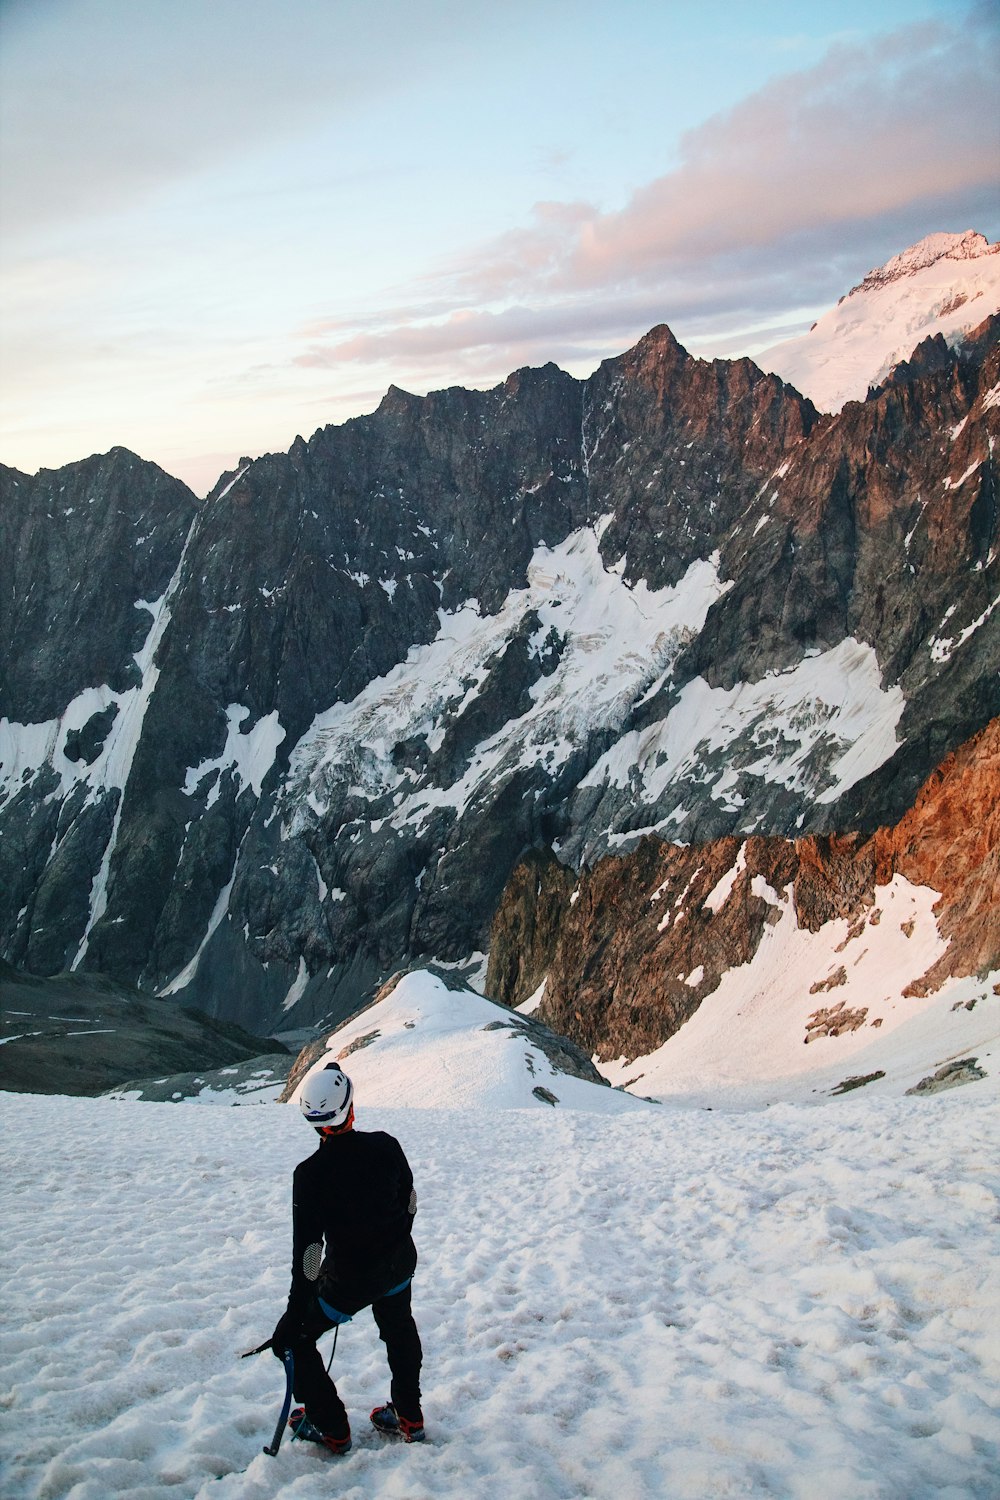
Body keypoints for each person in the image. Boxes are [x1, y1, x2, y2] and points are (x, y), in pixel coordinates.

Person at [270, 1059, 424, 1454]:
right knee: (399, 1329)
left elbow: (309, 1253)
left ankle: (333, 1428)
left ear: (316, 1124)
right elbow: (409, 1201)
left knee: (296, 1342)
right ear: (351, 1109)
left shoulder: (310, 1175)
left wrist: (293, 1313)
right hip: (398, 1264)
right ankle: (409, 1416)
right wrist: (394, 1240)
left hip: (348, 1281)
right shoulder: (386, 1145)